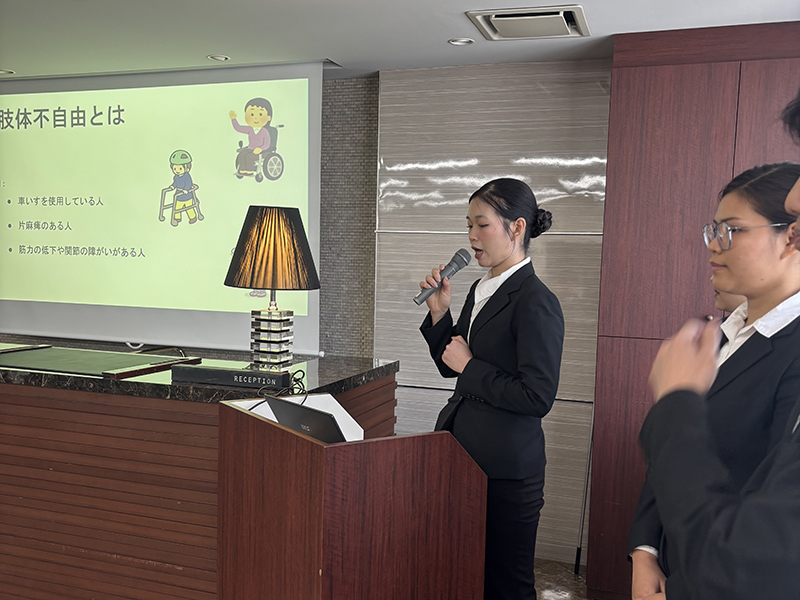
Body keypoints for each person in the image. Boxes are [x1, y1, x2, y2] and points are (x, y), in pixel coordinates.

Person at [638, 89, 800, 600]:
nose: (713, 245)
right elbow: (669, 454)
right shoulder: (721, 331)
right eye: (714, 230)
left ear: (789, 237)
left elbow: (761, 552)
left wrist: (676, 401)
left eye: (731, 231)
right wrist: (645, 549)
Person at [418, 178, 564, 600]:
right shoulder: (481, 288)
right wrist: (440, 316)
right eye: (469, 225)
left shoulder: (536, 300)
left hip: (506, 473)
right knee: (464, 577)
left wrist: (470, 366)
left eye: (482, 225)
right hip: (462, 459)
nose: (471, 236)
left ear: (517, 227)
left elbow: (537, 397)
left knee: (507, 587)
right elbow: (452, 366)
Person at [230, 97, 272, 174]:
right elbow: (238, 128)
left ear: (268, 118)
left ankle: (249, 171)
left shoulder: (264, 132)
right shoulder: (250, 129)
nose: (255, 118)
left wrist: (260, 148)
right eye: (252, 114)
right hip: (250, 149)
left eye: (260, 114)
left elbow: (266, 144)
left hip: (261, 152)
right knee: (242, 154)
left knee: (250, 157)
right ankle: (242, 170)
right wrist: (233, 119)